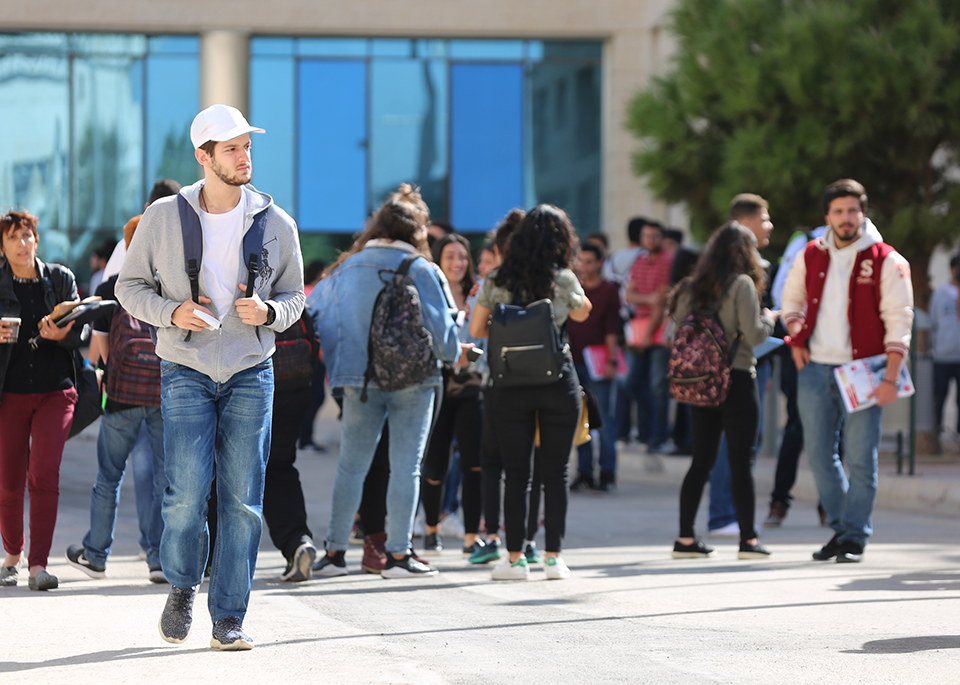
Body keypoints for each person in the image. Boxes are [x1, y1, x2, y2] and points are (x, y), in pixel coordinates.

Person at [117, 103, 305, 650]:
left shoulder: (277, 222)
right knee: (185, 493)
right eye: (232, 148)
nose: (245, 157)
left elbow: (295, 295)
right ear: (203, 157)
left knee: (243, 500)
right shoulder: (161, 217)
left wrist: (270, 313)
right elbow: (128, 287)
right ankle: (182, 585)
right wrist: (171, 312)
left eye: (247, 146)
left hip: (251, 369)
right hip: (185, 367)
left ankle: (228, 617)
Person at [307, 184, 461, 579]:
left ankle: (335, 553)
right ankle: (397, 555)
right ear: (417, 231)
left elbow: (313, 314)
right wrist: (451, 354)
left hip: (356, 380)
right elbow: (446, 339)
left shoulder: (344, 268)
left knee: (351, 466)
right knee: (406, 467)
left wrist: (343, 360)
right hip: (414, 380)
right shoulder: (422, 269)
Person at [783, 179, 913, 564]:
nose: (846, 218)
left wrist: (891, 378)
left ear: (863, 214)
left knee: (860, 458)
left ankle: (854, 536)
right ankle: (843, 529)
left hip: (865, 371)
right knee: (819, 456)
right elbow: (791, 300)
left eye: (852, 210)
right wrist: (797, 339)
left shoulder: (886, 259)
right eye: (838, 211)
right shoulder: (810, 254)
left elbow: (899, 319)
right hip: (814, 368)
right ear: (827, 216)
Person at [66, 180, 180, 585]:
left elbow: (100, 351)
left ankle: (96, 554)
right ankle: (159, 558)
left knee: (109, 477)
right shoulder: (172, 284)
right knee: (164, 479)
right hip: (163, 393)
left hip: (121, 397)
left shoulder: (112, 286)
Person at [471, 204, 592, 581]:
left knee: (516, 474)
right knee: (555, 472)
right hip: (558, 382)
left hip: (511, 384)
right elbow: (582, 313)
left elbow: (476, 329)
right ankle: (554, 559)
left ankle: (514, 560)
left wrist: (513, 330)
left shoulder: (497, 278)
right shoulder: (563, 278)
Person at [670, 221, 776, 560]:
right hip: (737, 379)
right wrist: (770, 318)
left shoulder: (689, 287)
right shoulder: (741, 284)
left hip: (699, 383)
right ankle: (748, 541)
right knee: (741, 461)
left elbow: (678, 331)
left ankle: (685, 539)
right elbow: (755, 335)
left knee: (701, 461)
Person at [0, 210, 82, 591]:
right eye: (13, 237)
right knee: (9, 482)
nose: (22, 243)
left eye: (27, 235)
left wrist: (61, 335)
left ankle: (38, 566)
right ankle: (12, 554)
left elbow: (81, 331)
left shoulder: (60, 279)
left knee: (43, 474)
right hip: (10, 393)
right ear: (2, 246)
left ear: (37, 239)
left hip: (55, 391)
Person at [705, 194, 775, 537]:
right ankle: (724, 516)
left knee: (723, 444)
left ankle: (723, 515)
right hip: (740, 367)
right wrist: (769, 320)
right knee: (738, 445)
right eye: (764, 219)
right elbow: (754, 333)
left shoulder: (708, 273)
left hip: (711, 368)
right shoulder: (743, 276)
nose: (769, 226)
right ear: (746, 224)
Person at [421, 234, 486, 558]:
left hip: (472, 387)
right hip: (438, 388)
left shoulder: (479, 295)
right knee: (435, 464)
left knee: (474, 464)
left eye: (462, 256)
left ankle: (472, 536)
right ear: (438, 260)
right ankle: (431, 530)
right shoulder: (428, 294)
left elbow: (487, 340)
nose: (457, 262)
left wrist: (473, 354)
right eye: (450, 256)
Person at [567, 243, 621, 492]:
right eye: (581, 261)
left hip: (599, 362)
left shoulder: (609, 290)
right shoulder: (572, 288)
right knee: (580, 418)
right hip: (573, 359)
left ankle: (607, 472)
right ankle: (584, 471)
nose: (585, 266)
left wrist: (611, 360)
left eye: (590, 261)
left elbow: (612, 328)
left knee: (605, 419)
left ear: (600, 263)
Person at [624, 220, 674, 453]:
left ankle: (659, 436)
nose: (650, 240)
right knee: (632, 383)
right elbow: (629, 295)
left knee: (657, 386)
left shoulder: (668, 260)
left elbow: (661, 301)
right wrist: (648, 298)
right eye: (646, 236)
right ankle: (649, 430)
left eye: (655, 236)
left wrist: (649, 334)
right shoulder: (640, 260)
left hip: (659, 330)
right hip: (639, 328)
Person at [930, 254, 960, 449]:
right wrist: (936, 347)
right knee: (938, 397)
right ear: (952, 269)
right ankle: (937, 435)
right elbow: (933, 323)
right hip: (942, 357)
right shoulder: (940, 294)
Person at [298, 259, 328, 452]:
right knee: (315, 397)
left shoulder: (302, 291)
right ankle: (305, 438)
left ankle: (303, 437)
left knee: (310, 397)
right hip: (315, 354)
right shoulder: (318, 293)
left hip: (302, 353)